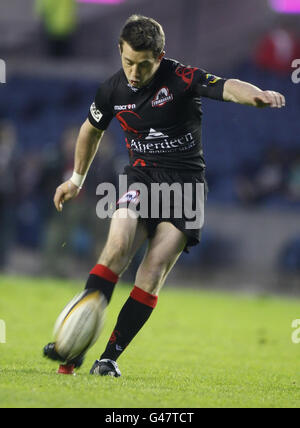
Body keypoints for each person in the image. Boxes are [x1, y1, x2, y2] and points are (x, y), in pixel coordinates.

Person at [43, 15, 286, 377]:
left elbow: (227, 85)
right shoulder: (111, 90)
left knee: (152, 271)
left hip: (186, 189)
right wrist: (76, 178)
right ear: (120, 53)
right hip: (141, 181)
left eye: (143, 65)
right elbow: (89, 130)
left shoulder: (182, 78)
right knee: (115, 250)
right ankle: (73, 348)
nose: (134, 73)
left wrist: (256, 96)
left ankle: (108, 358)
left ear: (160, 56)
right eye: (128, 62)